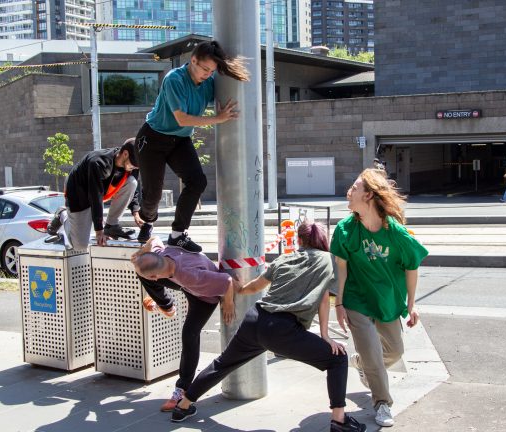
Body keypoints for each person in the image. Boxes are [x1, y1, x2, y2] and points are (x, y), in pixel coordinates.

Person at [171, 221, 367, 432]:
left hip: (255, 319)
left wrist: (238, 287)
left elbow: (254, 287)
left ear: (299, 240)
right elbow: (323, 299)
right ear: (322, 240)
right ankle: (339, 420)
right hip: (283, 330)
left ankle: (182, 406)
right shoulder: (329, 261)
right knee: (337, 358)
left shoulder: (284, 258)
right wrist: (325, 335)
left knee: (222, 364)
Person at [330, 169, 428, 428]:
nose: (348, 192)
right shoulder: (345, 230)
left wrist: (411, 304)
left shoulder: (395, 233)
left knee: (395, 351)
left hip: (386, 299)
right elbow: (341, 267)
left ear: (369, 195)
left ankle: (361, 363)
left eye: (354, 188)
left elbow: (411, 266)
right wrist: (339, 302)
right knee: (373, 353)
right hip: (356, 299)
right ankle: (382, 403)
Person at [134, 40, 250, 253]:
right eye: (204, 69)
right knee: (153, 196)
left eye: (212, 71)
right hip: (153, 139)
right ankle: (146, 219)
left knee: (197, 181)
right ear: (193, 60)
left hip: (179, 140)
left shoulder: (209, 82)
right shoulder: (174, 79)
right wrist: (218, 118)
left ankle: (178, 234)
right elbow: (182, 119)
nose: (207, 75)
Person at [131, 236, 238, 412]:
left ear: (155, 276)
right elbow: (154, 239)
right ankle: (166, 305)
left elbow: (226, 281)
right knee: (138, 269)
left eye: (150, 277)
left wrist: (228, 303)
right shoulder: (163, 253)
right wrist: (141, 253)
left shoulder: (190, 276)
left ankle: (182, 389)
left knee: (189, 335)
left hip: (203, 297)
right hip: (183, 284)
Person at [47, 138, 143, 250]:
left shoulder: (133, 165)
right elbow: (95, 195)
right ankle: (63, 214)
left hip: (101, 191)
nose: (135, 168)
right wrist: (99, 230)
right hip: (78, 193)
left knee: (132, 182)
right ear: (125, 154)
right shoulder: (98, 162)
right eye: (134, 165)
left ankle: (111, 225)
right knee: (80, 245)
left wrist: (136, 212)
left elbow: (133, 189)